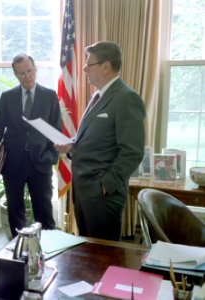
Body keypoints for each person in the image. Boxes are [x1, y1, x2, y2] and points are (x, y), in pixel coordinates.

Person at [55, 41, 145, 241]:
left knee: (104, 257)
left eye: (89, 64)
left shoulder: (126, 98)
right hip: (83, 190)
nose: (85, 69)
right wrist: (72, 145)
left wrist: (105, 185)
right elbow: (92, 137)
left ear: (106, 66)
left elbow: (132, 152)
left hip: (103, 195)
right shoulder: (98, 95)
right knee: (89, 254)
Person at [0, 53, 61, 238]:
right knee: (15, 213)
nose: (27, 76)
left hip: (41, 162)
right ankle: (19, 255)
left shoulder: (50, 96)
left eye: (29, 70)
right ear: (16, 75)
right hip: (13, 164)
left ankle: (48, 254)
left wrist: (50, 157)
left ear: (35, 68)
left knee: (44, 214)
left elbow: (56, 130)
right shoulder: (7, 97)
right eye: (22, 73)